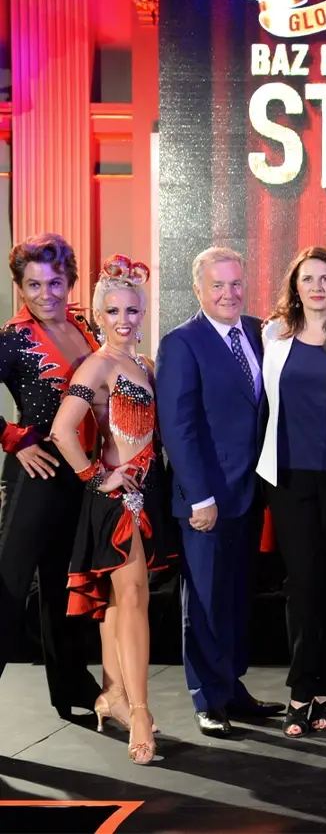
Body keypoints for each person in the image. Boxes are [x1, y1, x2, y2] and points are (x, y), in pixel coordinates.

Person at [157, 247, 284, 737]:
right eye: (218, 285)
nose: (229, 293)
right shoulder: (182, 343)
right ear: (198, 289)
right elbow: (178, 426)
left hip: (249, 494)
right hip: (206, 499)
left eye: (235, 283)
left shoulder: (256, 331)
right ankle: (206, 697)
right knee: (205, 601)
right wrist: (198, 497)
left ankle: (231, 688)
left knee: (234, 598)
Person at [54, 255, 175, 765]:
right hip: (114, 502)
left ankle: (114, 696)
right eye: (113, 311)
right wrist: (96, 475)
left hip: (145, 497)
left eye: (132, 310)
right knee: (132, 598)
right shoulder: (97, 365)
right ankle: (142, 712)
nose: (124, 320)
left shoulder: (143, 365)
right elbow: (63, 430)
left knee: (119, 603)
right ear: (98, 316)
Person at [256, 247, 326, 738]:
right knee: (302, 585)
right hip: (288, 478)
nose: (318, 287)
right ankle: (300, 692)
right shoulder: (272, 336)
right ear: (295, 287)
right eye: (308, 279)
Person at [0, 235, 102, 721]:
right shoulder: (13, 337)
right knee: (7, 589)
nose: (46, 294)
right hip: (34, 477)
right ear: (20, 285)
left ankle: (72, 687)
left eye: (55, 282)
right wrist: (12, 437)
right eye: (34, 284)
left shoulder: (84, 327)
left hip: (77, 476)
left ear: (70, 281)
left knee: (65, 587)